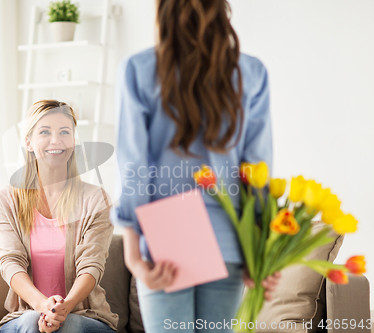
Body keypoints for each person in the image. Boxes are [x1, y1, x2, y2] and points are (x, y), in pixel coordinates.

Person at [111, 1, 280, 332]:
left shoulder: (139, 69)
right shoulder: (252, 72)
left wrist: (132, 254)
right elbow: (258, 172)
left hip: (167, 233)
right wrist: (260, 253)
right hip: (229, 237)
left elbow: (134, 169)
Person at [0, 100, 118, 333]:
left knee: (67, 326)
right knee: (31, 322)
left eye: (64, 132)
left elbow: (91, 264)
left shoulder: (96, 199)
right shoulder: (6, 200)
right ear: (28, 142)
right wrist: (42, 306)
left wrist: (64, 308)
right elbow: (10, 262)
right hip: (25, 316)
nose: (55, 140)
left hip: (85, 316)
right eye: (45, 132)